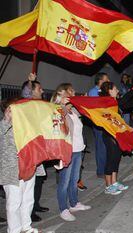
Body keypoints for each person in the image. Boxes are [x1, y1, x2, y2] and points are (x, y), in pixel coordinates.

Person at [51, 83, 91, 222]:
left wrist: (83, 102)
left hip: (78, 149)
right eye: (69, 92)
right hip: (67, 151)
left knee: (74, 179)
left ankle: (74, 203)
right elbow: (56, 109)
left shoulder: (73, 110)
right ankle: (63, 209)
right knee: (64, 181)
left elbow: (86, 112)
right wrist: (62, 102)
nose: (72, 94)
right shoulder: (59, 110)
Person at [1, 97, 39, 233]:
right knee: (14, 202)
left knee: (28, 199)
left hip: (29, 167)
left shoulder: (27, 125)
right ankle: (14, 230)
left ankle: (26, 226)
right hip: (12, 170)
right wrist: (6, 120)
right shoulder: (3, 125)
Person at [99, 82, 133, 195]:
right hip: (109, 135)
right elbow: (122, 101)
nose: (117, 90)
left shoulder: (115, 102)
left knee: (117, 158)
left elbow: (126, 105)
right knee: (111, 159)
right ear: (109, 91)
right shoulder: (106, 102)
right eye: (115, 89)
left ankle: (114, 182)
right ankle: (108, 186)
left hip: (117, 134)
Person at [20, 73, 48, 223]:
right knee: (29, 182)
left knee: (38, 180)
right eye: (39, 89)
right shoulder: (27, 103)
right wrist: (30, 83)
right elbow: (25, 94)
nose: (42, 91)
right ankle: (28, 213)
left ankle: (35, 205)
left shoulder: (41, 105)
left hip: (39, 148)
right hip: (30, 149)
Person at [88, 73, 110, 178]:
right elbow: (96, 108)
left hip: (105, 122)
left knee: (105, 146)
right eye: (106, 79)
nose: (109, 80)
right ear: (100, 81)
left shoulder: (103, 91)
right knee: (101, 147)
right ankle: (101, 170)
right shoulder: (93, 92)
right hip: (98, 123)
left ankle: (105, 168)